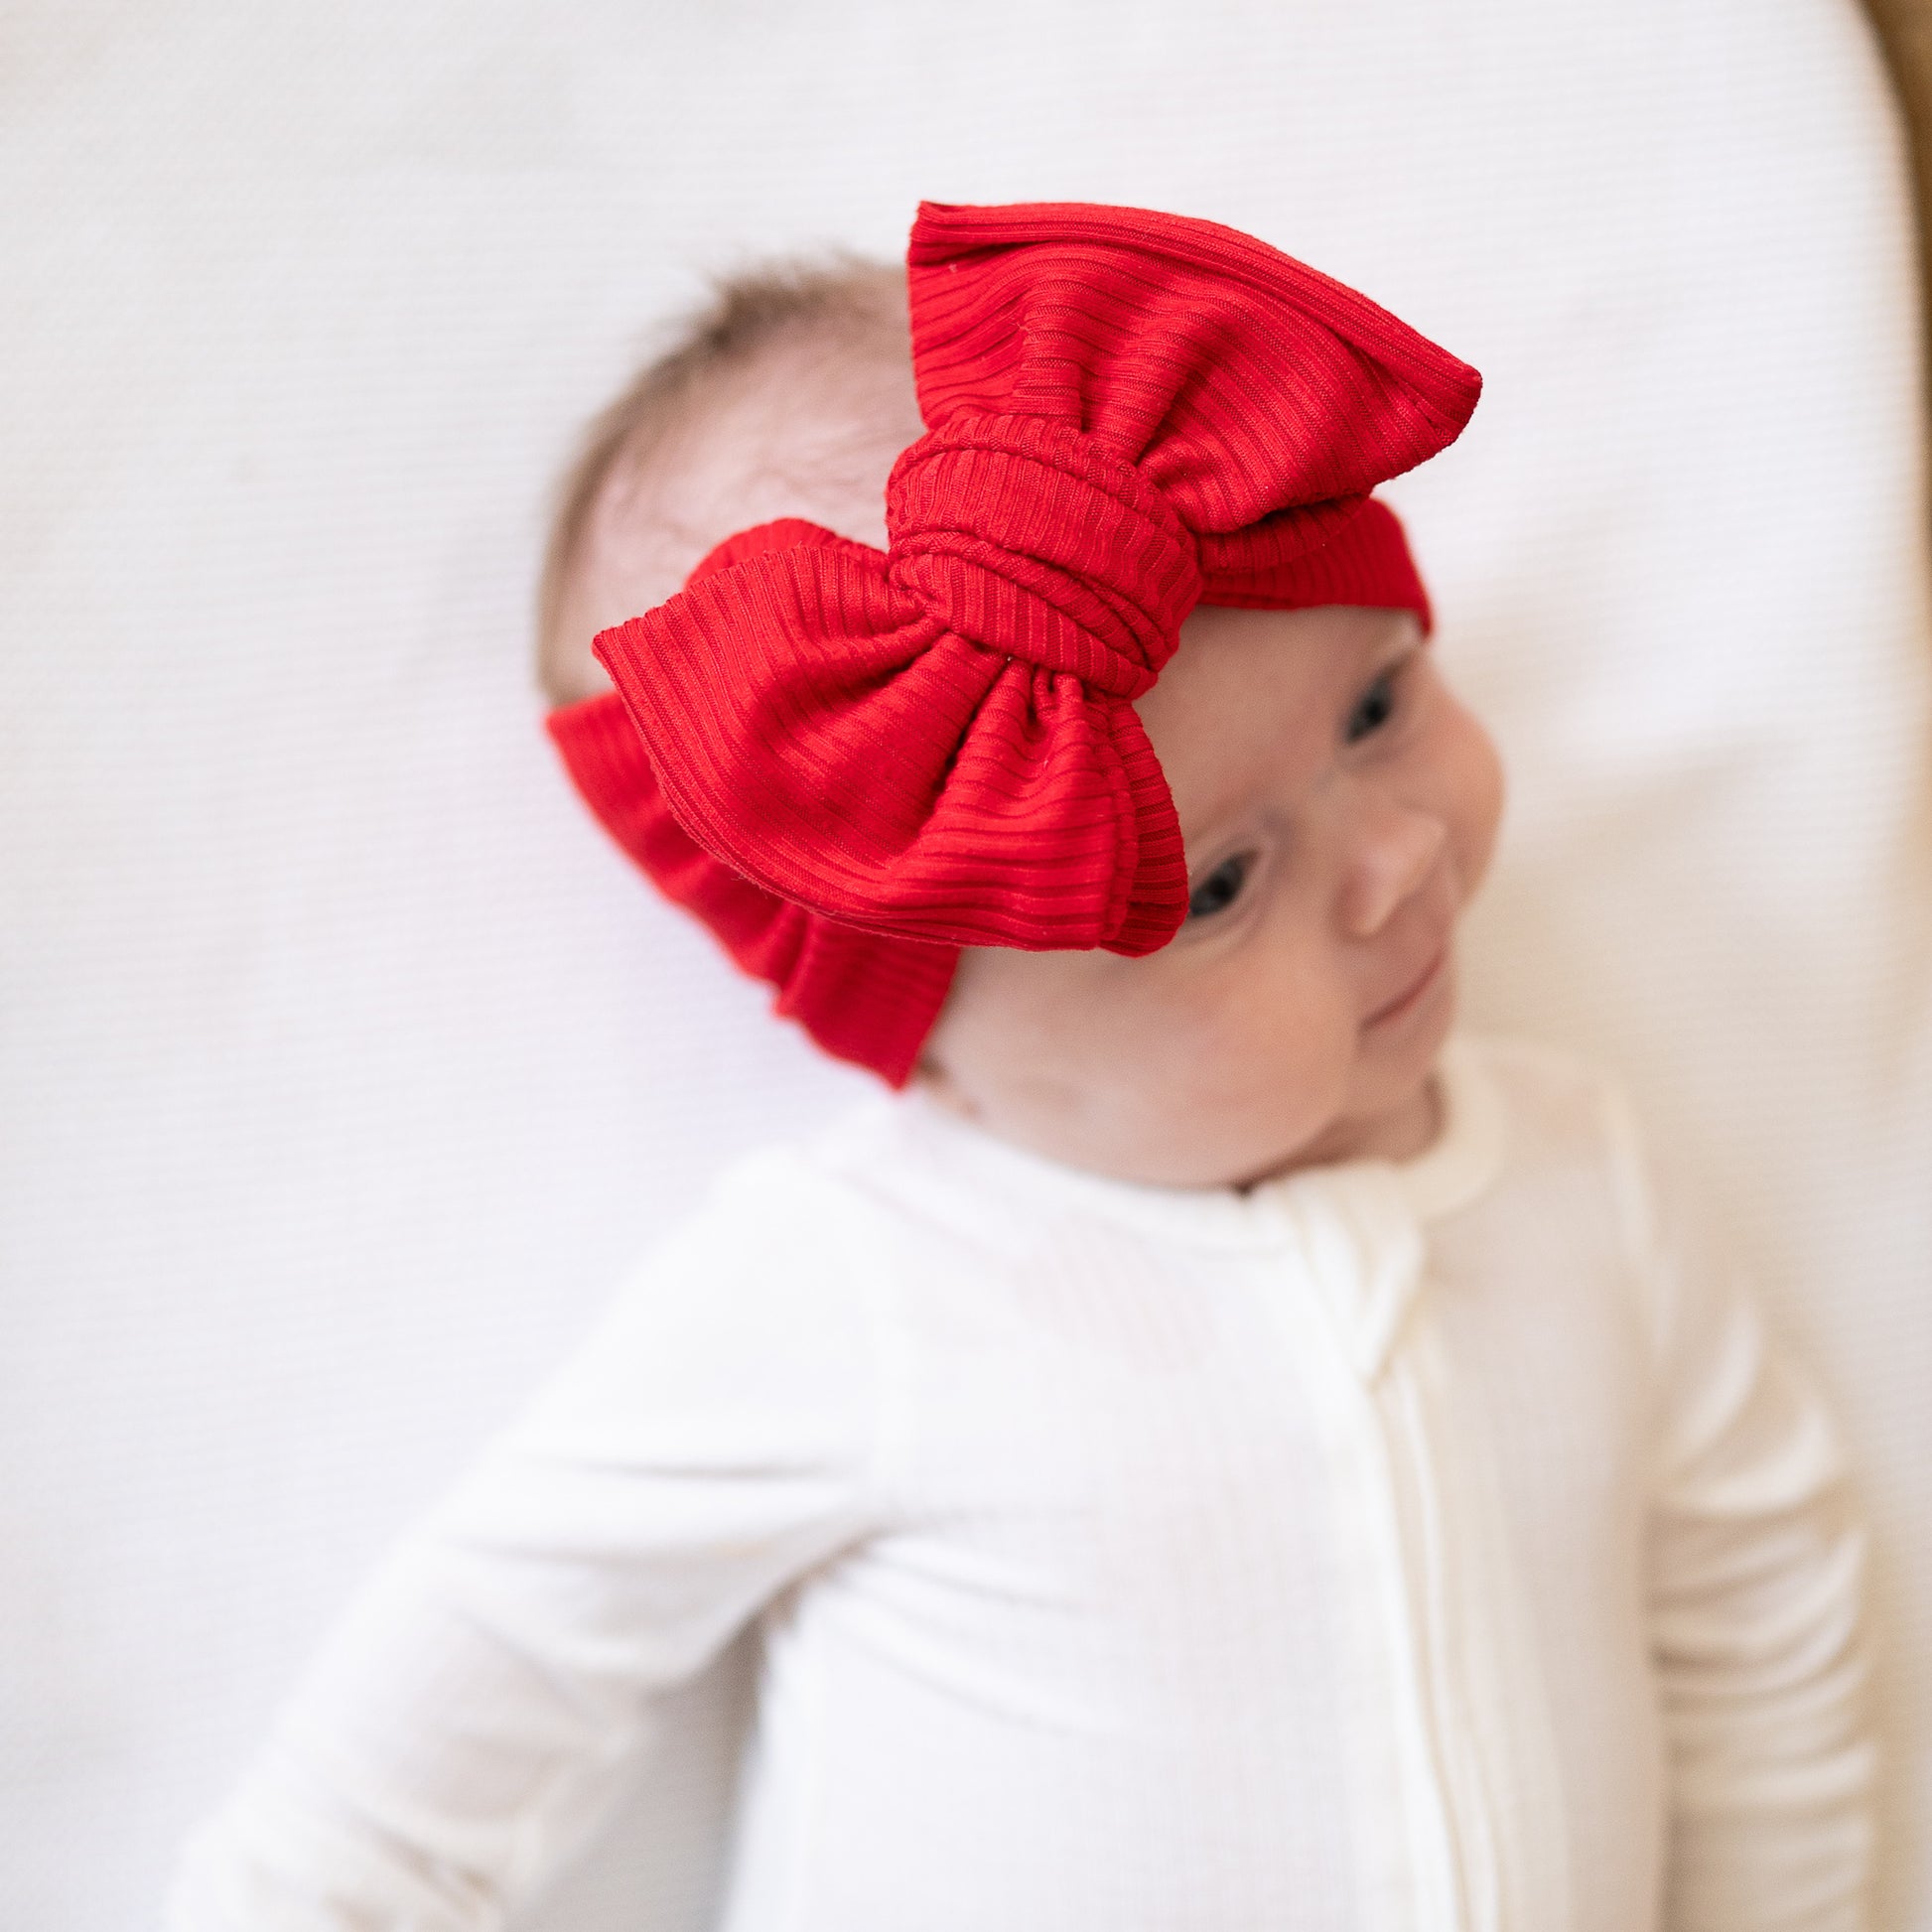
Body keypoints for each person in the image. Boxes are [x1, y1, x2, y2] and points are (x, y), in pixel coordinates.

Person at [166, 201, 1873, 1931]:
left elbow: (1758, 1615)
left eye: (1374, 706)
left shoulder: (1585, 1183)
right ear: (928, 1047)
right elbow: (422, 1749)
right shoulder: (861, 1286)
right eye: (1218, 884)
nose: (1395, 860)